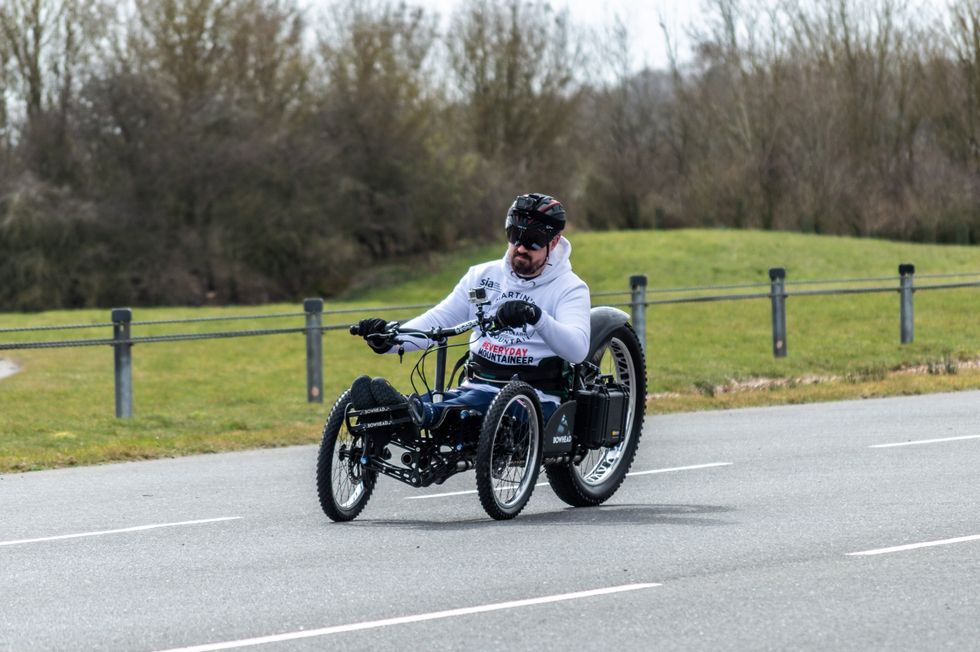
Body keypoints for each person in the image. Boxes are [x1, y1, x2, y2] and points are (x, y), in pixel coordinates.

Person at [353, 192, 591, 429]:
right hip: (475, 387)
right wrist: (390, 339)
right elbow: (439, 320)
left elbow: (577, 350)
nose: (520, 247)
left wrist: (535, 316)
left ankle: (414, 413)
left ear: (555, 241)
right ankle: (396, 415)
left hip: (534, 398)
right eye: (514, 235)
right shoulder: (482, 276)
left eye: (533, 240)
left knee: (467, 407)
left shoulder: (570, 288)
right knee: (461, 401)